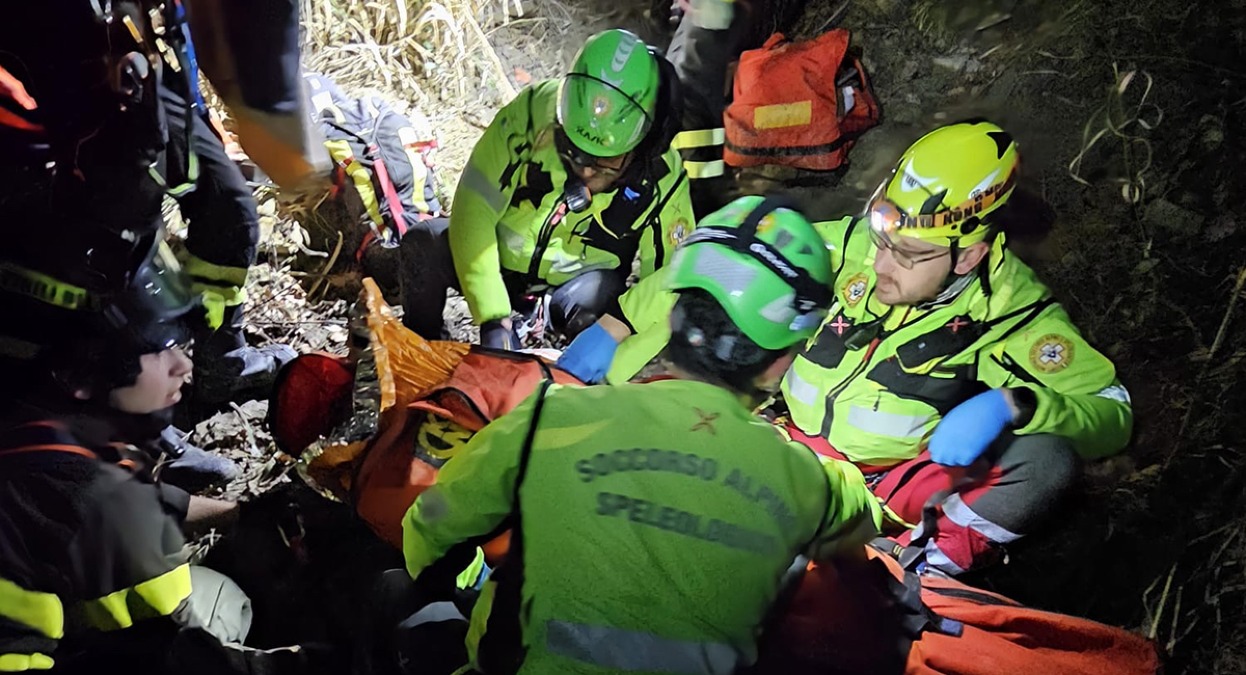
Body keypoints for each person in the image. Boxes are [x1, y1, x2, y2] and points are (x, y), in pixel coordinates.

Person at [559, 121, 1133, 575]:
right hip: (776, 438)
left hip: (880, 487)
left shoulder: (1013, 311)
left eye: (908, 255)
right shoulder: (857, 244)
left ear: (970, 255)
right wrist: (617, 322)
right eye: (883, 241)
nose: (881, 266)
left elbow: (1112, 409)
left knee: (1045, 463)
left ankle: (917, 569)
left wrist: (1015, 405)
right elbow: (731, 252)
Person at [398, 196, 881, 674]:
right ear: (780, 362)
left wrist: (460, 587)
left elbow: (429, 526)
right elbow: (863, 517)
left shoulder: (549, 417)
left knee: (399, 605)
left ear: (671, 317)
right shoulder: (809, 482)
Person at [0, 233, 250, 673]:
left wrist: (235, 513)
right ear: (81, 370)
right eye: (159, 349)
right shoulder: (98, 497)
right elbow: (180, 636)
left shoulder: (34, 431)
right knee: (222, 602)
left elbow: (124, 503)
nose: (185, 366)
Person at [399, 28, 694, 349]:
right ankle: (422, 348)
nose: (585, 170)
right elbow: (475, 205)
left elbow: (666, 286)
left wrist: (606, 357)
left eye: (605, 161)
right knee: (423, 243)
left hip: (576, 289)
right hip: (501, 264)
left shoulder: (662, 176)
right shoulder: (533, 112)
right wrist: (493, 317)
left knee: (602, 311)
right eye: (574, 151)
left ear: (641, 144)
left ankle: (565, 364)